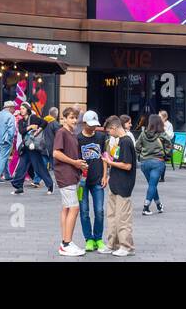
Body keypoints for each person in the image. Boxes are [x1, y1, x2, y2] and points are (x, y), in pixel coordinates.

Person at [51, 108, 87, 256]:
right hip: (65, 174)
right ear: (64, 118)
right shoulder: (62, 132)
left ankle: (66, 241)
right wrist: (75, 163)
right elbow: (56, 153)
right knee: (74, 208)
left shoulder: (71, 134)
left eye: (75, 118)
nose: (74, 120)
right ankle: (66, 243)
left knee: (67, 208)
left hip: (71, 174)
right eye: (71, 117)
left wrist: (79, 165)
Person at [102, 115, 137, 256]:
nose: (109, 134)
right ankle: (112, 244)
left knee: (122, 218)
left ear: (115, 128)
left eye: (109, 131)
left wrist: (110, 163)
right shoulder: (119, 141)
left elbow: (128, 165)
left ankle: (126, 247)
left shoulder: (126, 142)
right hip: (115, 183)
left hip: (124, 184)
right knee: (112, 216)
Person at [77, 111, 108, 252]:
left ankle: (98, 238)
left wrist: (105, 175)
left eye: (95, 125)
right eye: (91, 125)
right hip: (81, 182)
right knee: (84, 211)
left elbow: (104, 156)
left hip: (97, 180)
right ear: (84, 124)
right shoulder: (77, 139)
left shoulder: (101, 137)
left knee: (99, 210)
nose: (93, 128)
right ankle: (88, 239)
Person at [11, 107, 54, 194]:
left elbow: (44, 122)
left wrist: (38, 131)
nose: (21, 110)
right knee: (21, 167)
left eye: (23, 108)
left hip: (33, 147)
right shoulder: (21, 121)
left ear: (27, 110)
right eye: (21, 109)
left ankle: (50, 185)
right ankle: (19, 187)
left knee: (39, 167)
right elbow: (21, 131)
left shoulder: (33, 117)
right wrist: (30, 127)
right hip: (25, 147)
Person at [136, 115, 169, 215]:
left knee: (152, 185)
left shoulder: (143, 133)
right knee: (152, 185)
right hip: (158, 162)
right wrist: (165, 154)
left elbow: (137, 146)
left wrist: (140, 155)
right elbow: (169, 145)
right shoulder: (162, 134)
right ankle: (146, 207)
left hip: (145, 163)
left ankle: (159, 205)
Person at [0, 102, 17, 182]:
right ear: (10, 108)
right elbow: (11, 130)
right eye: (13, 108)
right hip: (5, 140)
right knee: (3, 157)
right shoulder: (10, 116)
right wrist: (9, 139)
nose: (14, 110)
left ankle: (7, 175)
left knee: (3, 157)